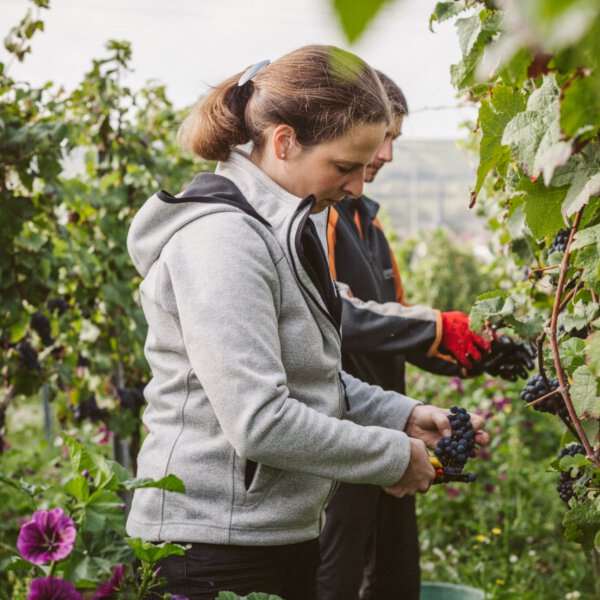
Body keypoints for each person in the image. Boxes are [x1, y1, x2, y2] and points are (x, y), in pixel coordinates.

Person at [124, 47, 489, 600]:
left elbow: (310, 377)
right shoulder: (223, 242)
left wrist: (402, 415)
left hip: (273, 538)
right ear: (285, 141)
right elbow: (260, 420)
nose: (356, 188)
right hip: (208, 553)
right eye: (344, 167)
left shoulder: (289, 227)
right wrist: (394, 459)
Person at [314, 72, 531, 600]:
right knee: (337, 578)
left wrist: (474, 356)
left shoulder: (369, 223)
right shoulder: (319, 220)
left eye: (396, 140)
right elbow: (340, 316)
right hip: (342, 429)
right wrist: (447, 328)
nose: (387, 154)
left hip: (389, 424)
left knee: (394, 575)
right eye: (383, 136)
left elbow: (395, 327)